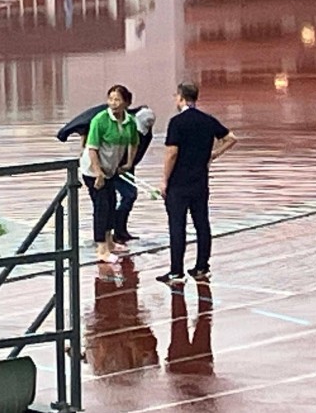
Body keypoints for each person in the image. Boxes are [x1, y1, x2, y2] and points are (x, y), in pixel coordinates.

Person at [157, 82, 237, 285]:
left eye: (177, 96)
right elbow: (231, 138)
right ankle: (202, 266)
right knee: (202, 224)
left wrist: (164, 180)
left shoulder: (176, 122)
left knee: (177, 226)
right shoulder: (207, 120)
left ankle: (176, 272)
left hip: (179, 183)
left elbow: (171, 153)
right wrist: (214, 154)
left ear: (182, 98)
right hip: (200, 181)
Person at [58, 101, 156, 243]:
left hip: (120, 166)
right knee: (105, 203)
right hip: (104, 166)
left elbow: (137, 149)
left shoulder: (142, 130)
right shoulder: (105, 118)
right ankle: (105, 239)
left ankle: (117, 231)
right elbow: (89, 137)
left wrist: (128, 165)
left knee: (124, 197)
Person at [80, 84, 140, 263]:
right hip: (93, 170)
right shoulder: (100, 120)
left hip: (111, 169)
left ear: (127, 103)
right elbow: (92, 148)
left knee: (112, 202)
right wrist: (98, 173)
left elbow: (134, 142)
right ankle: (101, 248)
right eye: (111, 99)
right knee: (101, 206)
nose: (113, 103)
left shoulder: (129, 122)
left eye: (117, 100)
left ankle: (109, 241)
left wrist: (129, 163)